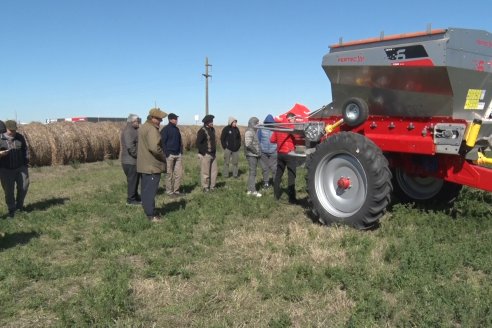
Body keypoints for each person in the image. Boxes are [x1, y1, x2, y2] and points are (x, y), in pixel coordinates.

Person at [137, 107, 167, 222]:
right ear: (153, 118)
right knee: (150, 191)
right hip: (152, 166)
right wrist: (163, 157)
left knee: (145, 190)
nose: (161, 121)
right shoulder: (152, 129)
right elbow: (154, 147)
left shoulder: (143, 127)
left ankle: (147, 209)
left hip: (144, 165)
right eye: (159, 118)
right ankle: (151, 215)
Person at [0, 120, 30, 218]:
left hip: (21, 167)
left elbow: (26, 149)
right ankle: (12, 210)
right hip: (5, 169)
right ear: (6, 129)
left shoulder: (19, 137)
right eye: (10, 131)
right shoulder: (0, 138)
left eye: (14, 130)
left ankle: (19, 207)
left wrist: (26, 163)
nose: (13, 132)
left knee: (24, 187)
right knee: (9, 191)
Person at [270, 112, 298, 204]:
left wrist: (279, 141)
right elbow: (297, 137)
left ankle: (276, 196)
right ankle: (292, 198)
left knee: (278, 174)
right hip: (289, 153)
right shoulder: (291, 126)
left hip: (280, 153)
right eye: (294, 118)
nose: (295, 120)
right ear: (290, 118)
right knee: (291, 175)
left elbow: (272, 140)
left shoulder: (278, 127)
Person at [120, 114, 141, 205]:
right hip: (130, 161)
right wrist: (139, 156)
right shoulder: (129, 131)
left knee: (135, 180)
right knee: (132, 180)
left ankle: (135, 196)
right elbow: (130, 147)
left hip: (132, 160)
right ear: (132, 121)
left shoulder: (133, 130)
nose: (139, 122)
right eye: (137, 121)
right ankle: (131, 200)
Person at [160, 113, 183, 196]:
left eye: (177, 119)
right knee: (169, 174)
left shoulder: (177, 129)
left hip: (178, 155)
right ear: (170, 120)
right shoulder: (165, 129)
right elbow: (162, 142)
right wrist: (167, 153)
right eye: (175, 119)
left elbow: (180, 141)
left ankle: (176, 191)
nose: (177, 120)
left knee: (178, 174)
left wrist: (181, 151)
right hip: (169, 155)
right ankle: (169, 192)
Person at [196, 114, 217, 192]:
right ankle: (205, 187)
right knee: (205, 172)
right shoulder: (202, 131)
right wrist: (204, 152)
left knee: (214, 172)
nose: (212, 122)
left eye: (212, 121)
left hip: (213, 154)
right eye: (211, 121)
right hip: (206, 154)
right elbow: (198, 143)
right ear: (206, 122)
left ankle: (212, 186)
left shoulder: (212, 130)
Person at [258, 114, 277, 189]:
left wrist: (276, 148)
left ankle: (275, 182)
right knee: (265, 168)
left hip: (274, 151)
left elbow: (278, 139)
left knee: (274, 168)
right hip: (263, 152)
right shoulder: (261, 129)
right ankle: (266, 182)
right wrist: (260, 148)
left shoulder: (276, 129)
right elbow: (258, 139)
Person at [244, 117, 262, 197]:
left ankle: (250, 190)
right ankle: (253, 191)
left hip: (253, 155)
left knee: (253, 172)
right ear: (253, 123)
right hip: (251, 155)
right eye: (257, 123)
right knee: (252, 173)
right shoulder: (249, 132)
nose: (258, 124)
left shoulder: (253, 131)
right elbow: (248, 144)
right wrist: (257, 152)